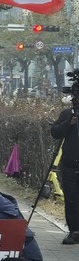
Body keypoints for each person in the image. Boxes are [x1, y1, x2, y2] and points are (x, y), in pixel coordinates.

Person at [52, 102, 79, 244]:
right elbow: (55, 132)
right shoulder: (68, 114)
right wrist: (69, 123)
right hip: (70, 164)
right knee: (71, 199)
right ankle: (74, 231)